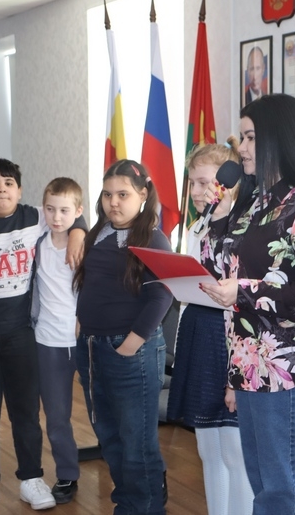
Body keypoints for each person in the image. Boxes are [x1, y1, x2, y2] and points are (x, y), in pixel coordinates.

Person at [199, 94, 295, 514]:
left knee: (288, 491)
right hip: (249, 363)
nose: (241, 148)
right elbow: (217, 267)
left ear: (278, 138)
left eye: (250, 137)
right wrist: (218, 212)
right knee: (265, 487)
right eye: (242, 137)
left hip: (287, 367)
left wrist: (243, 291)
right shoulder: (256, 203)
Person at [0, 158, 85, 513]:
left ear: (20, 190)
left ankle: (31, 478)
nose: (1, 190)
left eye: (8, 183)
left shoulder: (34, 217)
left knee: (26, 413)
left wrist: (80, 231)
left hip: (21, 335)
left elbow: (69, 212)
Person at [73, 159, 174, 515]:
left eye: (123, 194)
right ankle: (128, 505)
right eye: (107, 194)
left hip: (131, 353)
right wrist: (81, 324)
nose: (113, 202)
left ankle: (144, 508)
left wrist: (131, 344)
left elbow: (162, 295)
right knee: (110, 439)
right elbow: (92, 282)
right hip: (91, 348)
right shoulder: (99, 231)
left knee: (136, 445)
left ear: (143, 195)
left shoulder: (153, 238)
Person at [166, 139, 254, 515]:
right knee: (208, 448)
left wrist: (237, 374)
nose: (197, 191)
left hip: (231, 338)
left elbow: (249, 300)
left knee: (235, 451)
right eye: (193, 183)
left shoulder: (248, 230)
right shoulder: (198, 228)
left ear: (228, 183)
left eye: (205, 183)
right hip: (200, 332)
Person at [30, 177, 84, 504]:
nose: (56, 217)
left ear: (78, 211)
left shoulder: (86, 244)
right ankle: (67, 474)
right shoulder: (36, 243)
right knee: (56, 416)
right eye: (50, 209)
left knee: (102, 413)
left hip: (84, 340)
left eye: (64, 210)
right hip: (47, 342)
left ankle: (125, 471)